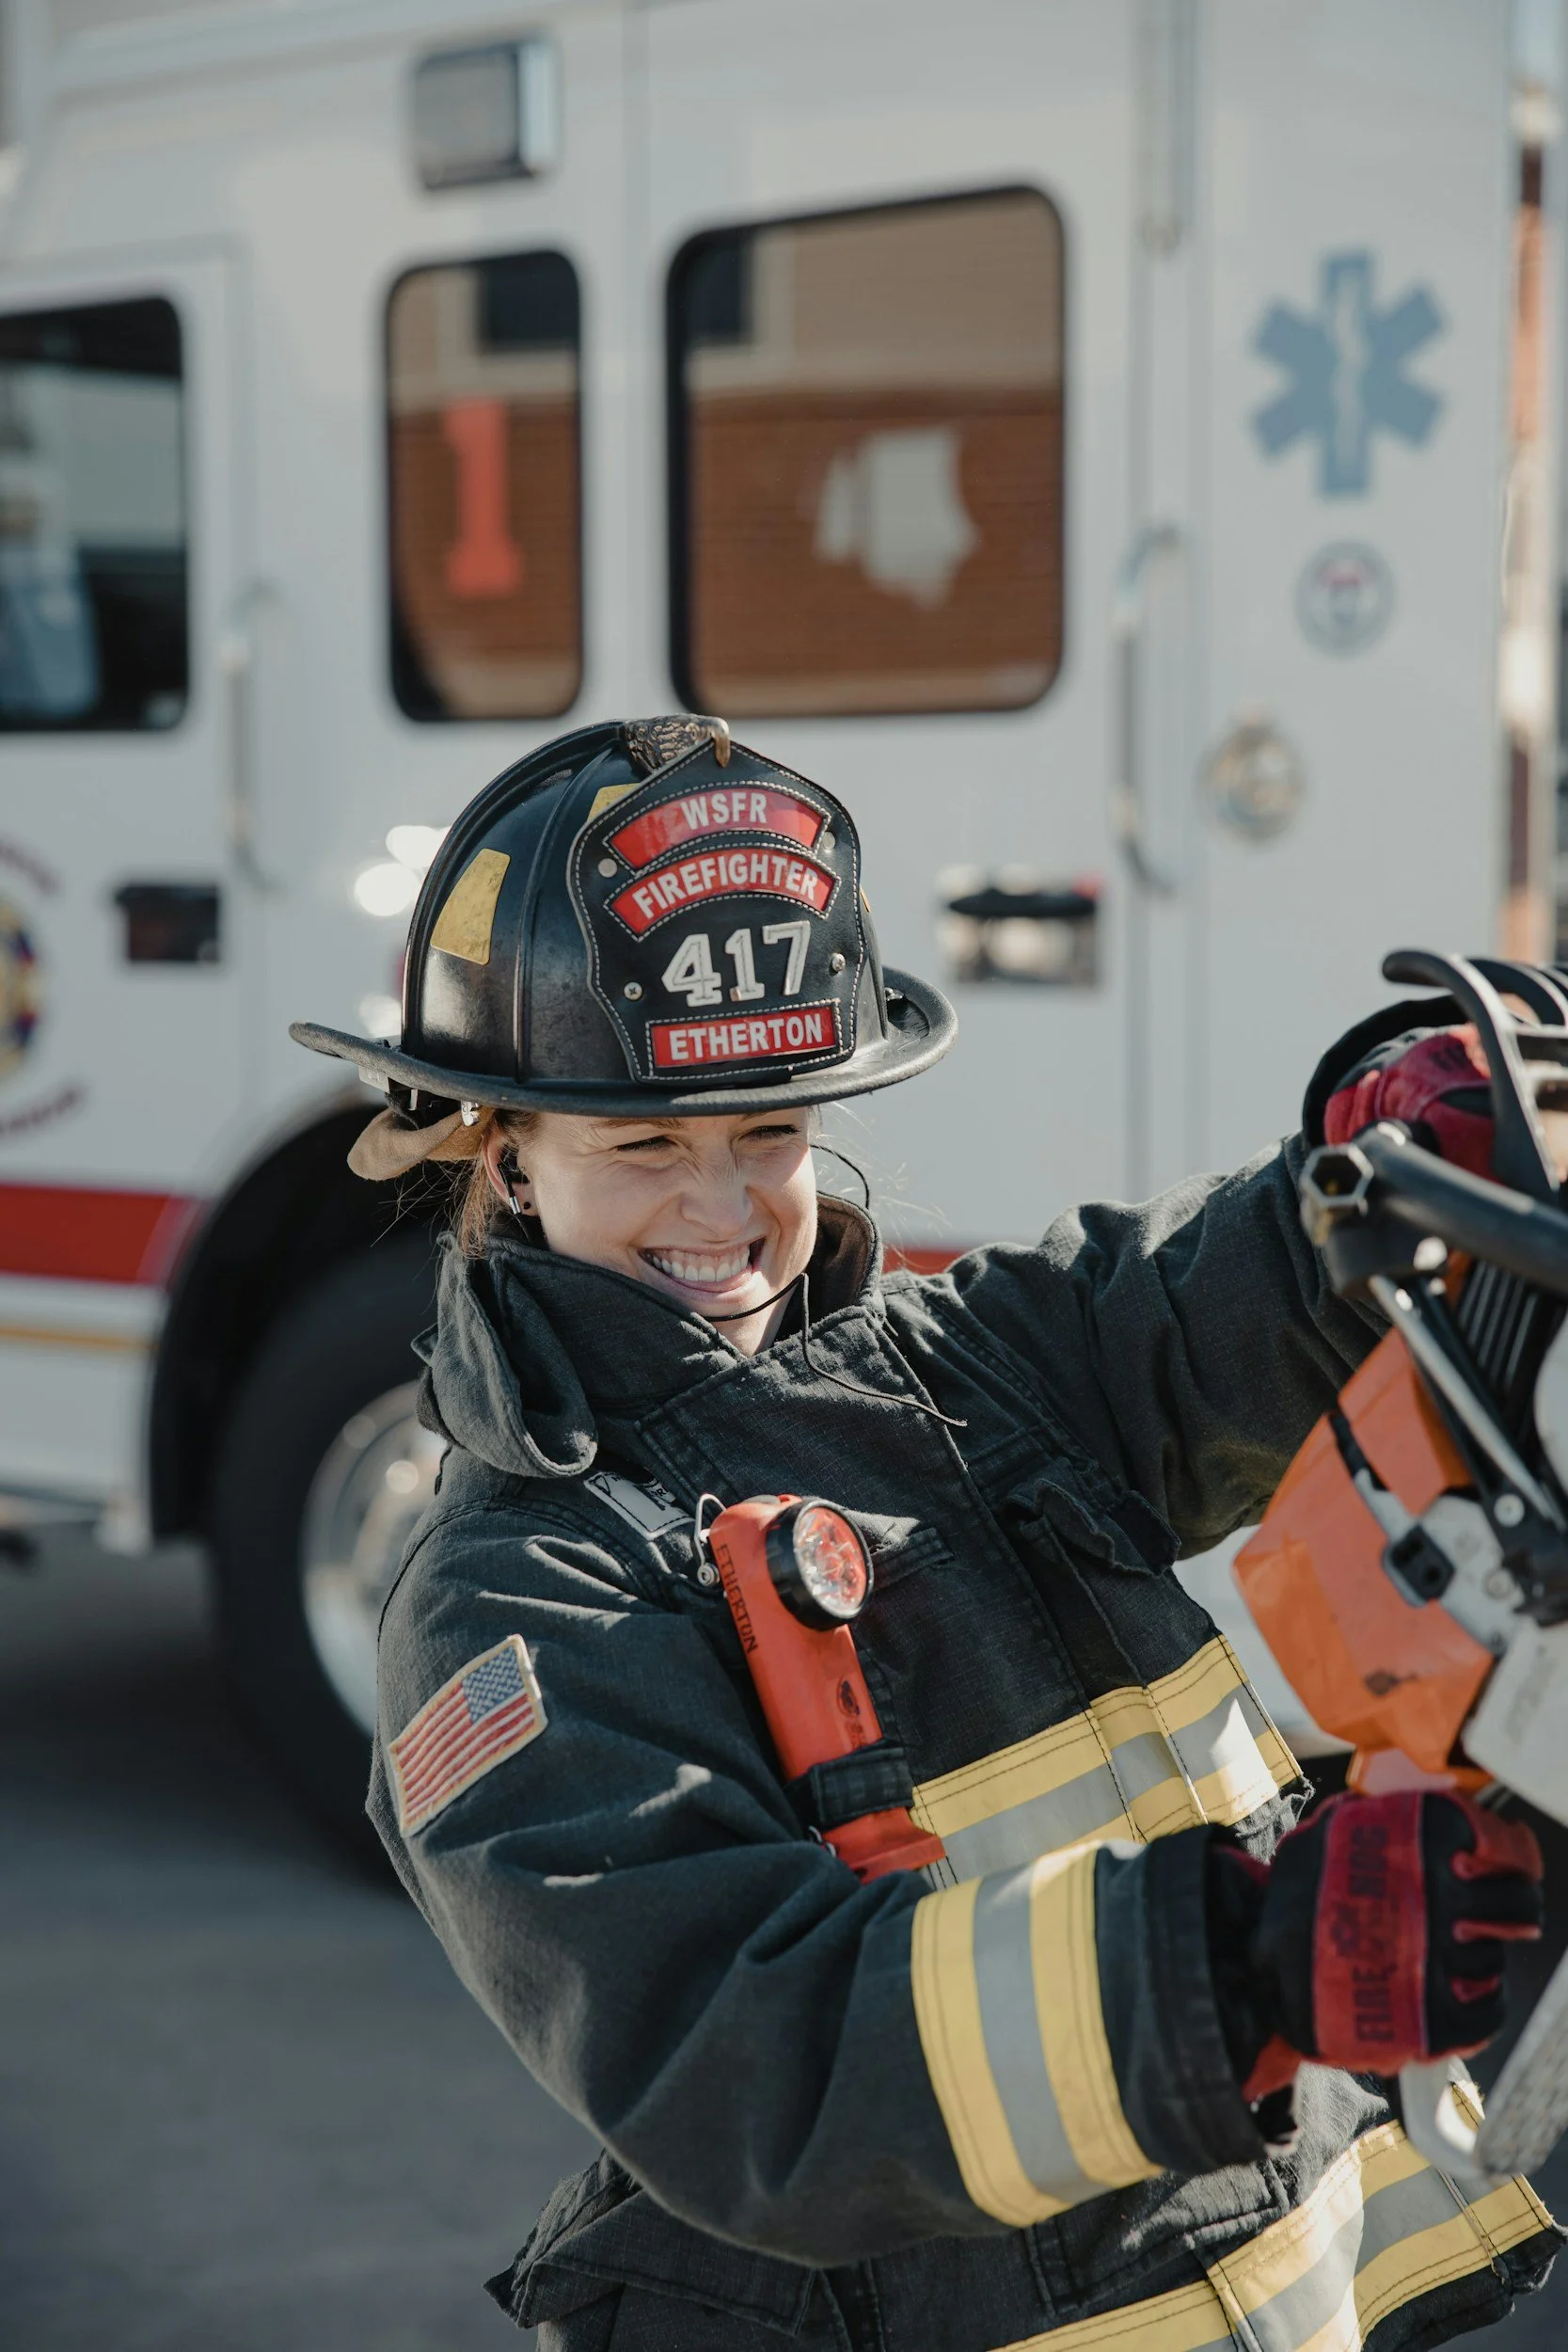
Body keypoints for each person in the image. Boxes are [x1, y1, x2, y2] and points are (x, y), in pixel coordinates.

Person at [293, 715, 1558, 2352]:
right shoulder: (507, 1606)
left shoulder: (964, 1369)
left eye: (771, 1134)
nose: (723, 1206)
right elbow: (757, 2060)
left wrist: (1370, 1170)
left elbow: (1183, 1314)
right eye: (643, 1147)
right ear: (508, 1158)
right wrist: (1238, 1966)